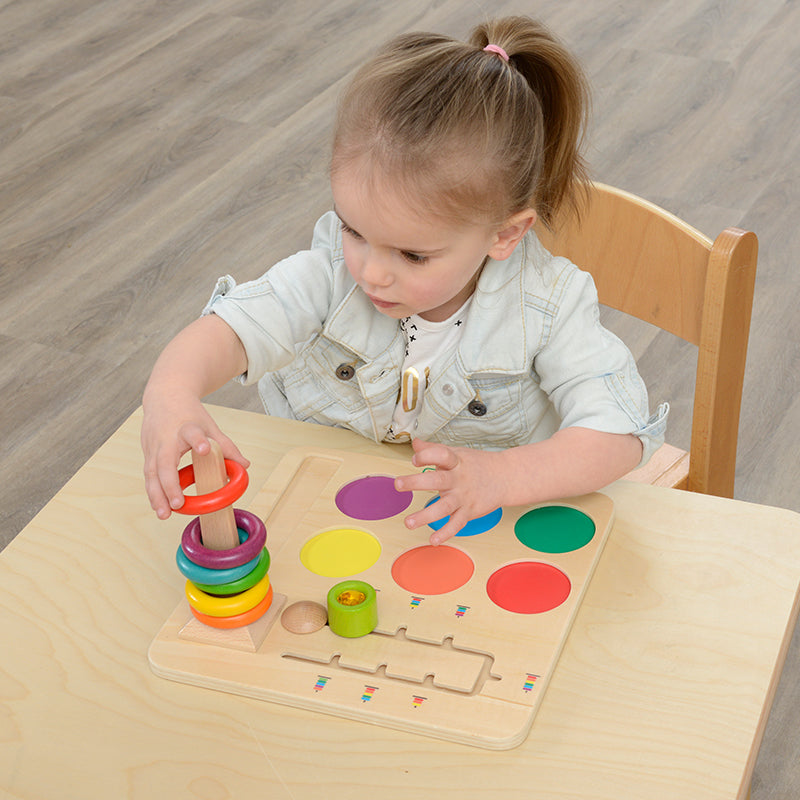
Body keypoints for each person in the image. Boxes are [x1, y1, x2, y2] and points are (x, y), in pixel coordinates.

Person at [141, 15, 668, 544]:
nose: (370, 272)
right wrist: (171, 393)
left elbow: (618, 434)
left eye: (413, 255)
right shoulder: (330, 274)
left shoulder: (548, 306)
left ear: (505, 235)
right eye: (354, 230)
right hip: (339, 515)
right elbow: (229, 332)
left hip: (486, 534)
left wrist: (503, 475)